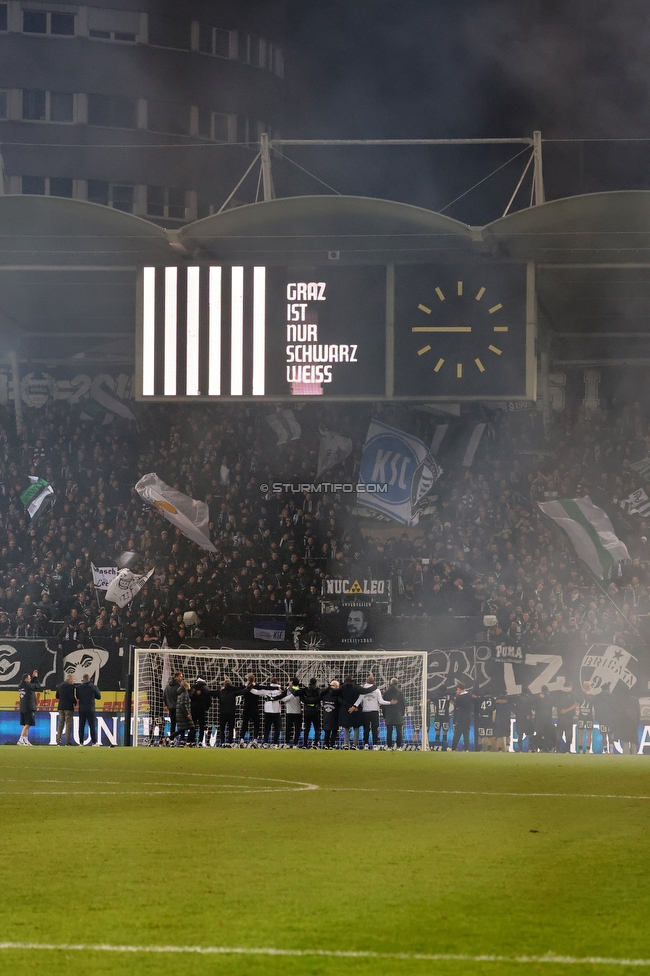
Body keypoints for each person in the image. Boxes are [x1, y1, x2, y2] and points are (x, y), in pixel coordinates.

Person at [351, 673, 396, 749]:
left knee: (366, 729)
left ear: (366, 681)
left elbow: (359, 700)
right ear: (374, 682)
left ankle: (366, 744)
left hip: (365, 711)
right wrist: (390, 703)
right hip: (374, 711)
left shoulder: (363, 689)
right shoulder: (377, 690)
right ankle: (375, 744)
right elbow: (381, 701)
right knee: (375, 728)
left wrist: (353, 707)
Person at [77, 673, 102, 746]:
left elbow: (78, 697)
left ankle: (81, 742)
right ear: (89, 678)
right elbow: (99, 697)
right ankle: (94, 742)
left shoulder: (79, 687)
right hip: (90, 708)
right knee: (92, 725)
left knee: (81, 726)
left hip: (81, 708)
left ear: (83, 679)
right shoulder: (94, 687)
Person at [18, 669, 41, 746]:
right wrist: (36, 678)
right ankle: (21, 739)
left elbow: (30, 685)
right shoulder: (27, 685)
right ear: (26, 679)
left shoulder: (22, 685)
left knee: (26, 724)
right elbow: (37, 686)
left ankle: (25, 739)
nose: (30, 679)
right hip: (28, 707)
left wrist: (33, 677)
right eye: (29, 678)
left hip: (23, 707)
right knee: (28, 724)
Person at [383, 677, 406, 749]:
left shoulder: (386, 692)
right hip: (398, 714)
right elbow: (403, 704)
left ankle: (389, 746)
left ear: (390, 683)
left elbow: (383, 704)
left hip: (389, 714)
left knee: (389, 731)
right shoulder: (400, 692)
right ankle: (399, 746)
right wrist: (402, 713)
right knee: (399, 731)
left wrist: (384, 715)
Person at [214, 677, 238, 746]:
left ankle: (222, 742)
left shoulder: (221, 692)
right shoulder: (233, 691)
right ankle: (230, 742)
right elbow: (243, 691)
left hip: (222, 713)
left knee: (222, 729)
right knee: (230, 729)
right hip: (231, 713)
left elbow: (211, 693)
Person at [555, 683, 578, 753]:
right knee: (568, 733)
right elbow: (576, 704)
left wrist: (560, 710)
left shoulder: (558, 693)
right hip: (569, 717)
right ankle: (568, 750)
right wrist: (567, 710)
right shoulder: (573, 694)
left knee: (559, 733)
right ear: (569, 686)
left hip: (560, 716)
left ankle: (558, 750)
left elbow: (556, 704)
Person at [189, 677, 212, 746]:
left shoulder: (193, 688)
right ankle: (200, 741)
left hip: (194, 709)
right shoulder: (206, 689)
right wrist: (207, 708)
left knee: (193, 726)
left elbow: (190, 696)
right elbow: (209, 699)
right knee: (201, 726)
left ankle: (192, 741)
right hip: (202, 710)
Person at [300, 677, 322, 748]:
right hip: (315, 710)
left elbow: (302, 698)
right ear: (316, 682)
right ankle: (315, 744)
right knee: (317, 728)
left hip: (307, 710)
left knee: (307, 728)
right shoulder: (318, 690)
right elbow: (320, 698)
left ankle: (305, 744)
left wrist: (307, 701)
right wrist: (314, 702)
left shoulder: (305, 690)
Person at [451, 683, 473, 751]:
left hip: (461, 717)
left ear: (459, 689)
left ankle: (453, 748)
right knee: (466, 733)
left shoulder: (459, 697)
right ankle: (466, 749)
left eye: (457, 689)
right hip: (468, 717)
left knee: (457, 733)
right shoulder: (470, 695)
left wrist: (455, 698)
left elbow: (456, 705)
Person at [55, 674, 76, 746]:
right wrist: (75, 702)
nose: (74, 681)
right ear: (70, 679)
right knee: (68, 724)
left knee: (60, 724)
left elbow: (57, 696)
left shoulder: (60, 686)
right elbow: (71, 697)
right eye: (73, 679)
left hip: (61, 707)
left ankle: (58, 741)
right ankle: (67, 741)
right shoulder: (71, 686)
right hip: (68, 707)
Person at [173, 680, 195, 746]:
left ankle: (169, 738)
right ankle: (188, 743)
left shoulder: (181, 693)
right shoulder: (184, 694)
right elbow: (183, 704)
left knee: (181, 729)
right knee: (192, 727)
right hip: (183, 714)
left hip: (180, 714)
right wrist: (187, 713)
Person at [163, 670, 183, 741]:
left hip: (170, 708)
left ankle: (171, 741)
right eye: (181, 676)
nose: (182, 678)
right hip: (178, 708)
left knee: (173, 724)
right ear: (177, 677)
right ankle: (182, 740)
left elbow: (164, 696)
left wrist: (166, 705)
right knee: (181, 725)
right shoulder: (179, 686)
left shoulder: (167, 687)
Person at [576, 681, 595, 754]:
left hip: (581, 716)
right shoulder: (592, 696)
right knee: (589, 734)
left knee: (580, 733)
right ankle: (587, 750)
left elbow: (577, 705)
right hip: (589, 717)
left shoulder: (580, 695)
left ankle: (580, 749)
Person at [321, 680, 340, 749]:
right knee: (334, 730)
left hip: (326, 714)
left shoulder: (325, 693)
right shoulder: (337, 694)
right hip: (335, 714)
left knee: (327, 730)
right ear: (335, 686)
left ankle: (326, 745)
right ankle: (332, 745)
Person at [284, 677, 303, 747]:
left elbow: (283, 699)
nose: (289, 683)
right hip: (295, 712)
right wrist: (292, 696)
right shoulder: (299, 691)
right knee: (295, 728)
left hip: (293, 712)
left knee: (290, 728)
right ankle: (294, 743)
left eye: (290, 681)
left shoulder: (288, 691)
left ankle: (289, 743)